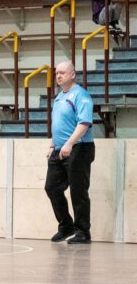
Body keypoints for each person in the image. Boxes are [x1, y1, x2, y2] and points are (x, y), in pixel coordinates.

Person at [45, 61, 95, 244]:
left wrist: (69, 143)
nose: (58, 76)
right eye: (57, 73)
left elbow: (84, 123)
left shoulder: (81, 95)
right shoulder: (59, 97)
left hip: (79, 148)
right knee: (52, 187)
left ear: (73, 75)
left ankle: (83, 232)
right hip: (60, 149)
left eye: (63, 73)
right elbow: (59, 123)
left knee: (78, 190)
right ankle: (66, 226)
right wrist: (53, 144)